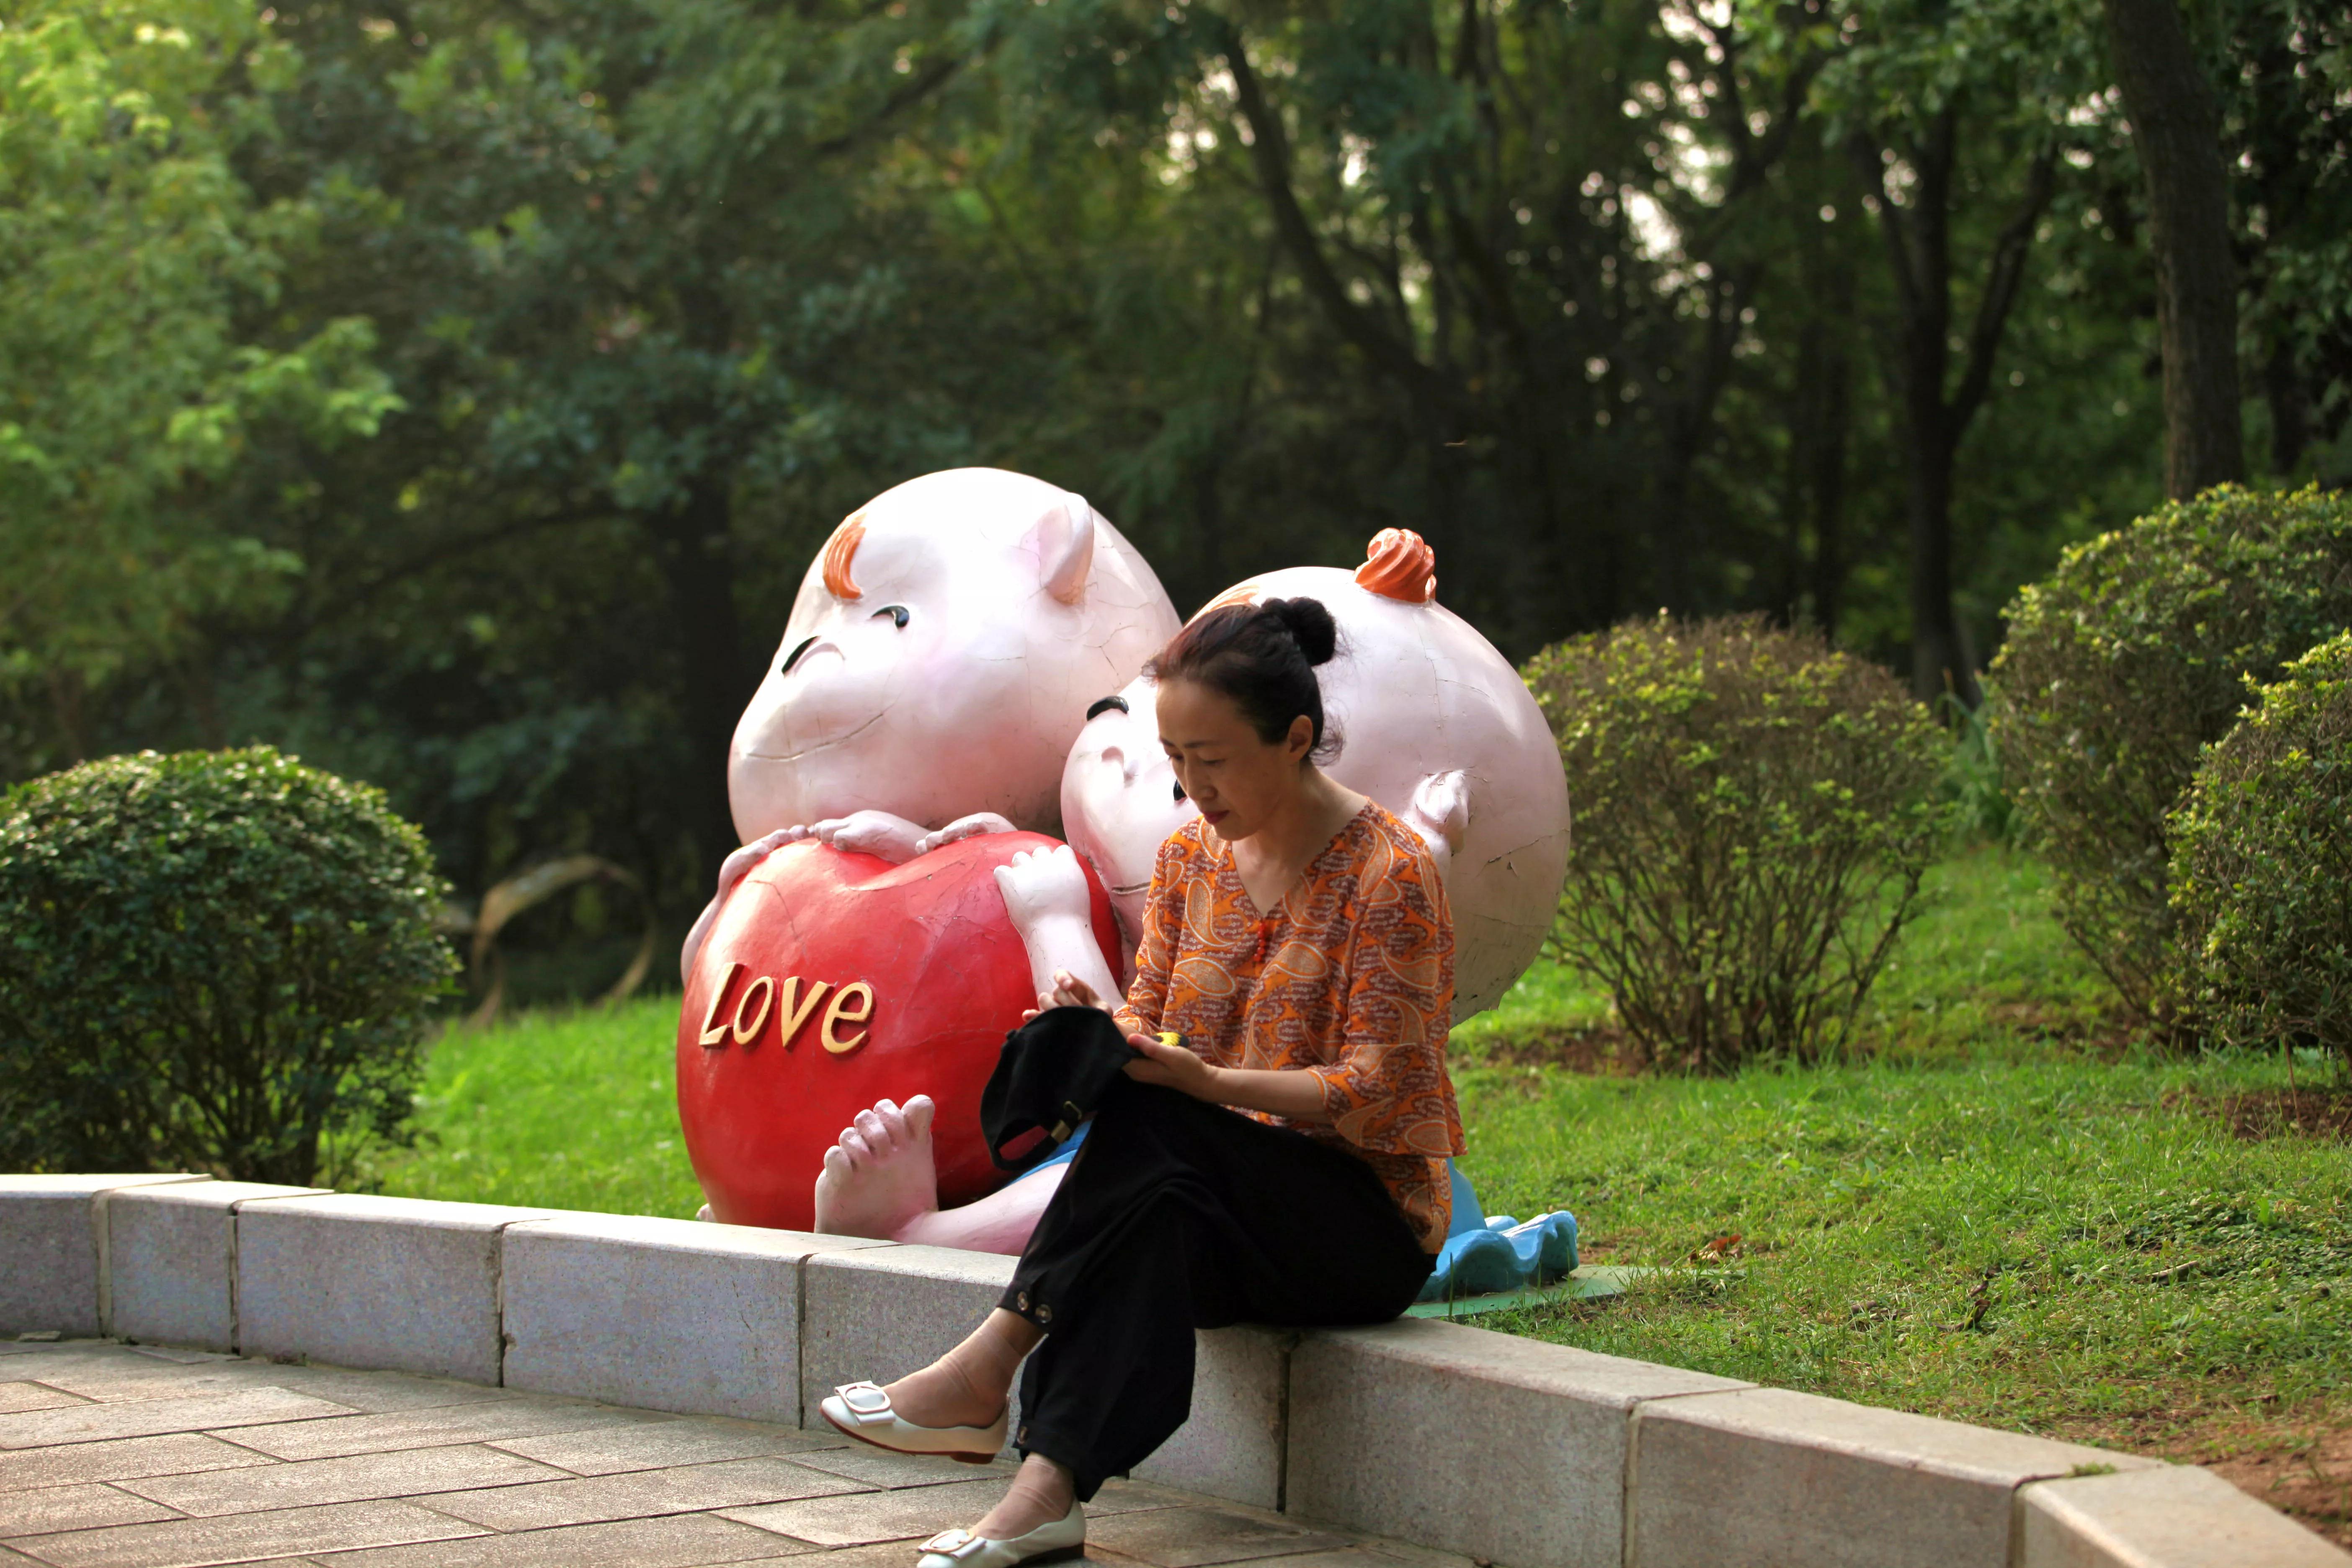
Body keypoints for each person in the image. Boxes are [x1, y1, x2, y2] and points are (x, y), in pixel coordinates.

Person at [816, 597, 1466, 1568]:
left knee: (1161, 1126)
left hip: (1360, 1229)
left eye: (1214, 759)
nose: (1191, 785)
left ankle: (987, 1365)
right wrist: (1096, 1021)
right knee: (1148, 1182)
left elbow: (1380, 1086)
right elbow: (1151, 1023)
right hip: (1207, 1199)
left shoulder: (1391, 872)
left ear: (1296, 739)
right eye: (1175, 758)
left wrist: (1206, 1081)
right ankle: (1044, 1498)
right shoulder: (1187, 861)